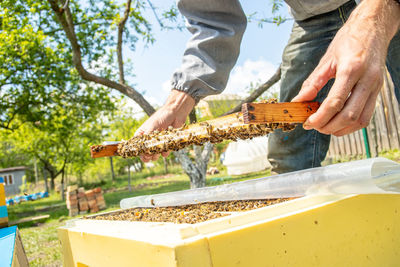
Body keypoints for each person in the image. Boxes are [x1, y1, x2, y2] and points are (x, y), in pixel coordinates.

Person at [136, 0, 400, 173]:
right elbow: (212, 18)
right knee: (289, 159)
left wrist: (374, 16)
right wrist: (177, 103)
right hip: (314, 16)